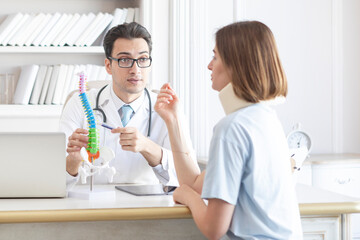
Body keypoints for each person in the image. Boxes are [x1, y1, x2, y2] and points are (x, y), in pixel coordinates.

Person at [155, 21, 303, 239]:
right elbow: (195, 183)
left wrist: (188, 197)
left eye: (215, 57)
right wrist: (173, 119)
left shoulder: (232, 128)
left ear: (236, 64)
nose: (209, 66)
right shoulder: (266, 119)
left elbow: (214, 228)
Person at [60, 22, 179, 188]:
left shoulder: (167, 108)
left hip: (147, 208)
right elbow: (56, 182)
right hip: (90, 208)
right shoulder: (80, 103)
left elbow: (182, 178)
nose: (135, 69)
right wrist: (73, 161)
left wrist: (147, 147)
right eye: (125, 59)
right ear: (108, 66)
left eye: (143, 59)